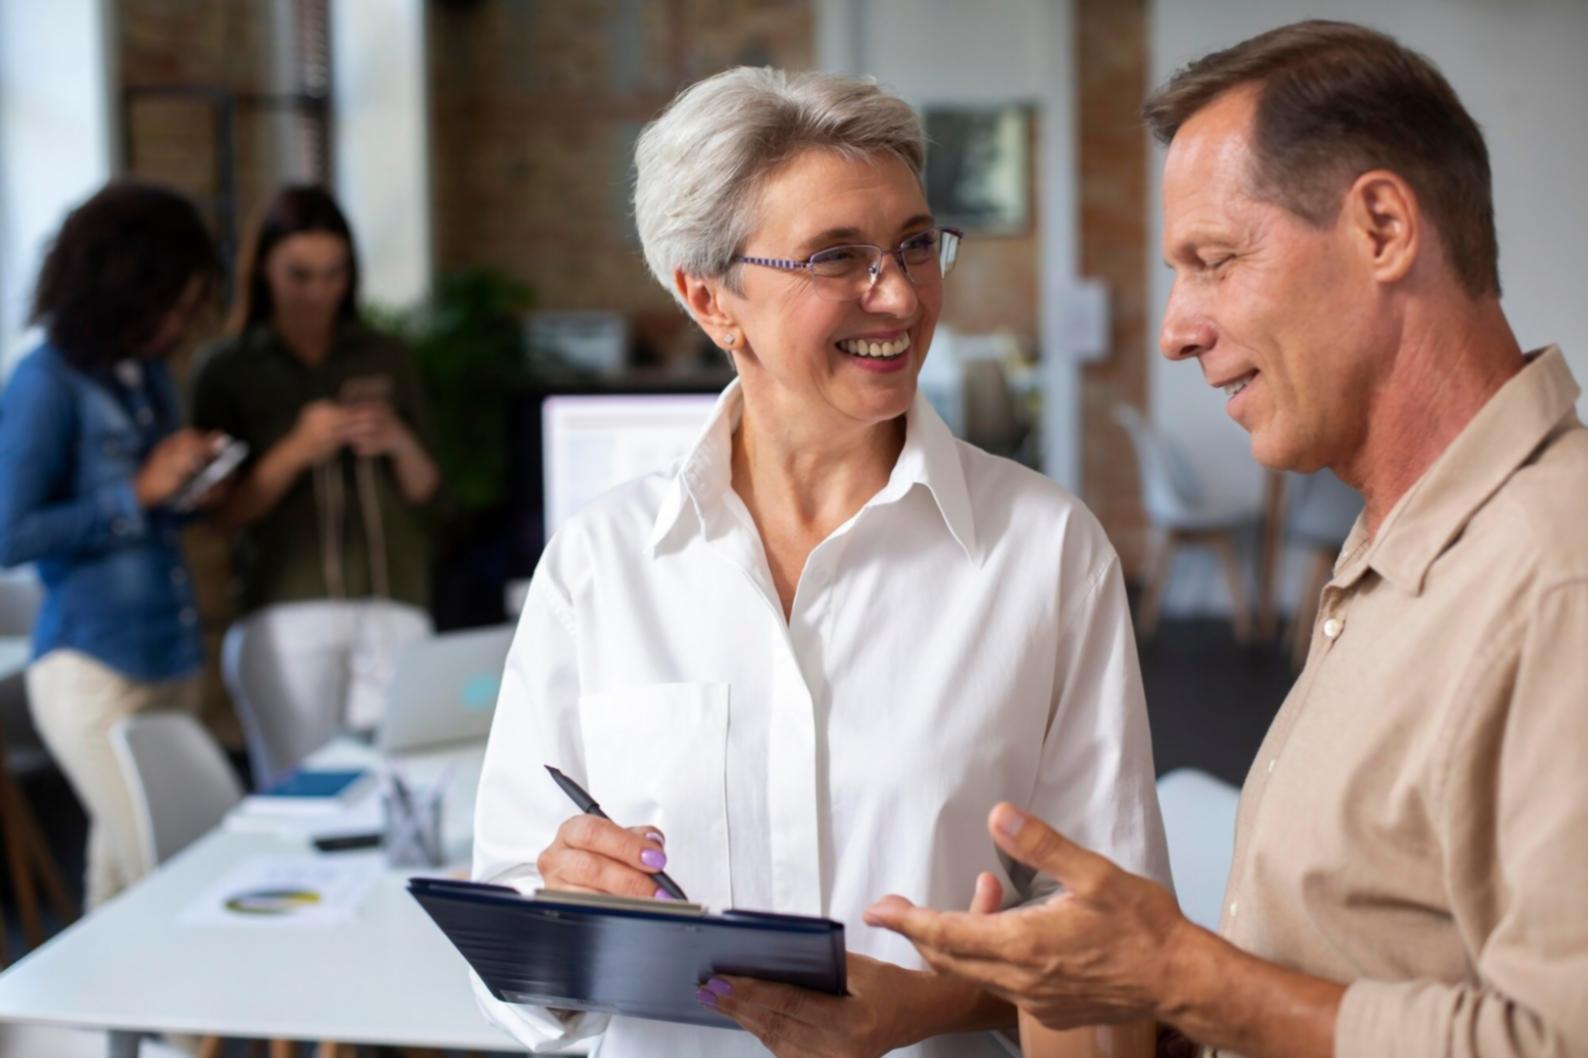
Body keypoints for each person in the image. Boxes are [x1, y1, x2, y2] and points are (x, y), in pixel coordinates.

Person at [866, 19, 1588, 1058]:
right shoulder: (1398, 543)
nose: (1174, 327)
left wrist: (1183, 973)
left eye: (1213, 260)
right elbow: (1351, 958)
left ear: (1382, 227)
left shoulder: (1554, 580)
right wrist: (1094, 987)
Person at [471, 67, 1169, 1058]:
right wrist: (563, 910)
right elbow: (511, 959)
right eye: (836, 255)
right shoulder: (598, 567)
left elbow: (1119, 952)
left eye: (915, 244)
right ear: (711, 299)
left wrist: (943, 1001)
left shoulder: (1045, 552)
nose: (896, 293)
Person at [0, 182, 223, 908]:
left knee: (123, 881)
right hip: (93, 670)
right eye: (176, 305)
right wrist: (138, 494)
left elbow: (152, 513)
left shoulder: (147, 373)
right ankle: (191, 1028)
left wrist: (189, 490)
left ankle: (125, 1028)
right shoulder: (44, 382)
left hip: (168, 653)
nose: (180, 325)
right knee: (169, 882)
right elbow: (11, 534)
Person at [191, 186, 439, 745]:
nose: (318, 292)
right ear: (263, 273)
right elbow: (222, 517)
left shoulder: (386, 355)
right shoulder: (229, 368)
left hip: (392, 598)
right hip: (287, 607)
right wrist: (296, 448)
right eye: (299, 275)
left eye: (334, 273)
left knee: (401, 777)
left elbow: (428, 490)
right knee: (301, 791)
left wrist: (398, 439)